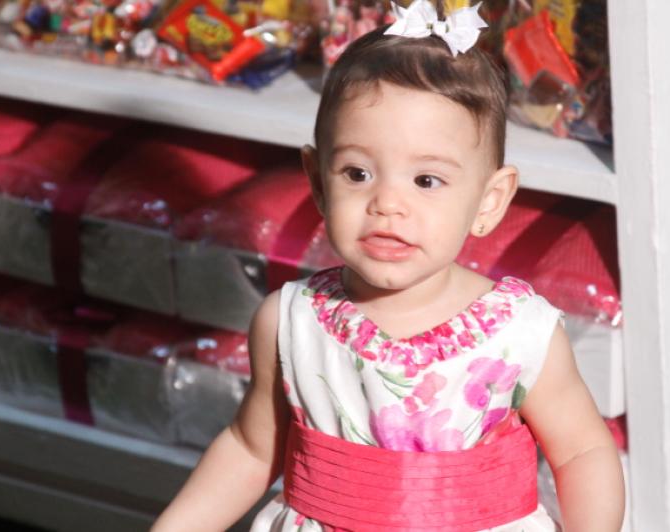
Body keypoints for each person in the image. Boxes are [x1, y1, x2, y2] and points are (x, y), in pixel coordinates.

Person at [153, 1, 625, 530]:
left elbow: (582, 452)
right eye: (357, 173)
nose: (387, 204)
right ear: (318, 181)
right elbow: (249, 448)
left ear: (489, 201)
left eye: (426, 180)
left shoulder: (521, 334)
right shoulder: (288, 321)